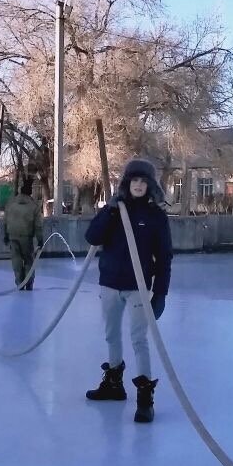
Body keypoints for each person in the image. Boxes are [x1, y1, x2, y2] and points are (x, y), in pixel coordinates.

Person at [84, 159, 173, 423]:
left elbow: (165, 258)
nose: (138, 185)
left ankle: (145, 398)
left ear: (150, 186)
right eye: (134, 180)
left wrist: (160, 294)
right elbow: (92, 237)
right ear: (127, 183)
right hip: (110, 283)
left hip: (138, 288)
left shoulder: (156, 217)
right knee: (111, 335)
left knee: (138, 340)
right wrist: (108, 211)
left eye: (143, 181)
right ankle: (113, 384)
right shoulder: (114, 210)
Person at [3, 178, 43, 291]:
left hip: (12, 236)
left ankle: (19, 282)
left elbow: (5, 220)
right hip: (26, 237)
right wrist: (40, 239)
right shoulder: (33, 206)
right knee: (29, 260)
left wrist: (5, 235)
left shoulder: (11, 204)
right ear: (30, 192)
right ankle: (28, 283)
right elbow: (38, 225)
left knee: (16, 260)